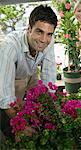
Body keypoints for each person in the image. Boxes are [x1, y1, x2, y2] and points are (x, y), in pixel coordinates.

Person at [0, 5, 57, 139]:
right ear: (29, 28)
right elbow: (5, 97)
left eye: (49, 34)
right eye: (39, 31)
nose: (43, 39)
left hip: (29, 71)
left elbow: (49, 78)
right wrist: (22, 126)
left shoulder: (48, 41)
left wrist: (51, 113)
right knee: (8, 121)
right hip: (9, 76)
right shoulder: (9, 48)